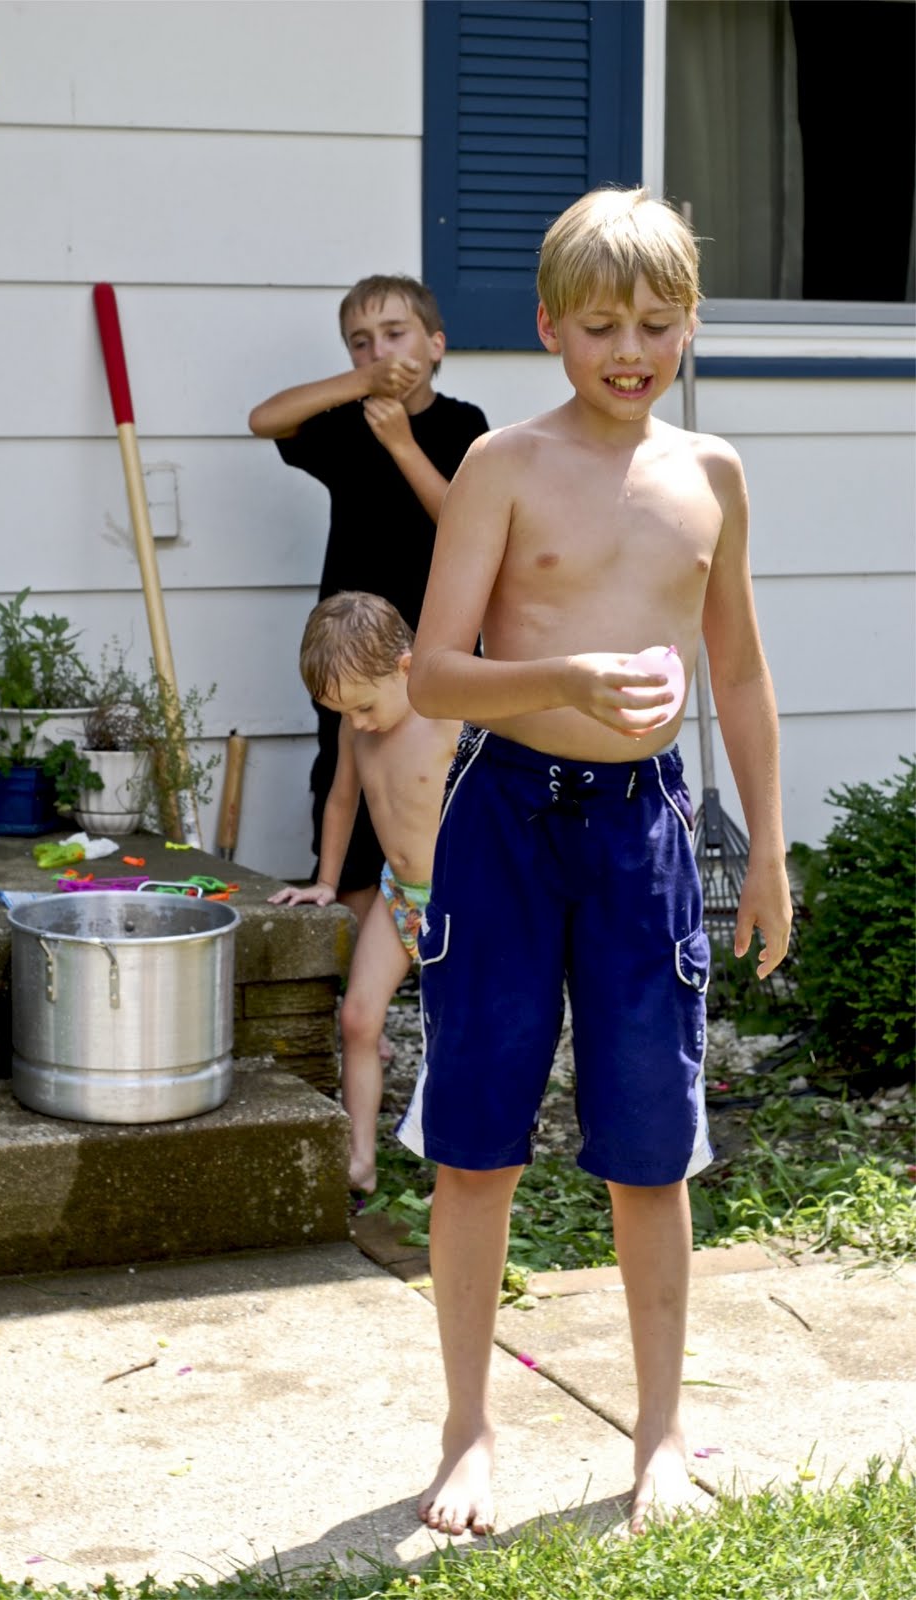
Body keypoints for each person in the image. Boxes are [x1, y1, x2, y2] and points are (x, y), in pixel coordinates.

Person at [398, 187, 792, 1539]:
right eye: (603, 325)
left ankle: (661, 1431)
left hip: (643, 834)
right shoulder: (500, 466)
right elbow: (432, 675)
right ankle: (467, 1428)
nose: (631, 349)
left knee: (650, 1147)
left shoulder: (712, 475)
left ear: (689, 324)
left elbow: (738, 673)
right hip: (504, 822)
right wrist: (562, 676)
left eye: (657, 322)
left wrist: (766, 851)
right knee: (474, 1145)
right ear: (549, 328)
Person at [248, 276, 488, 930]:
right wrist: (360, 385)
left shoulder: (463, 425)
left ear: (435, 345)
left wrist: (401, 444)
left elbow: (462, 524)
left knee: (443, 778)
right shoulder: (347, 425)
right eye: (360, 342)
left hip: (435, 644)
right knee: (346, 774)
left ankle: (446, 930)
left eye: (394, 335)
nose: (378, 352)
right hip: (351, 650)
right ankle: (359, 939)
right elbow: (264, 419)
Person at [267, 591, 460, 1193]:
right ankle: (360, 1159)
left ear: (407, 667)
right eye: (341, 712)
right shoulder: (357, 729)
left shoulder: (451, 715)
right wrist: (327, 882)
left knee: (461, 1033)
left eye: (363, 706)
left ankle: (466, 1164)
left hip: (466, 901)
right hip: (399, 895)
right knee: (356, 1018)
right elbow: (342, 800)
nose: (356, 723)